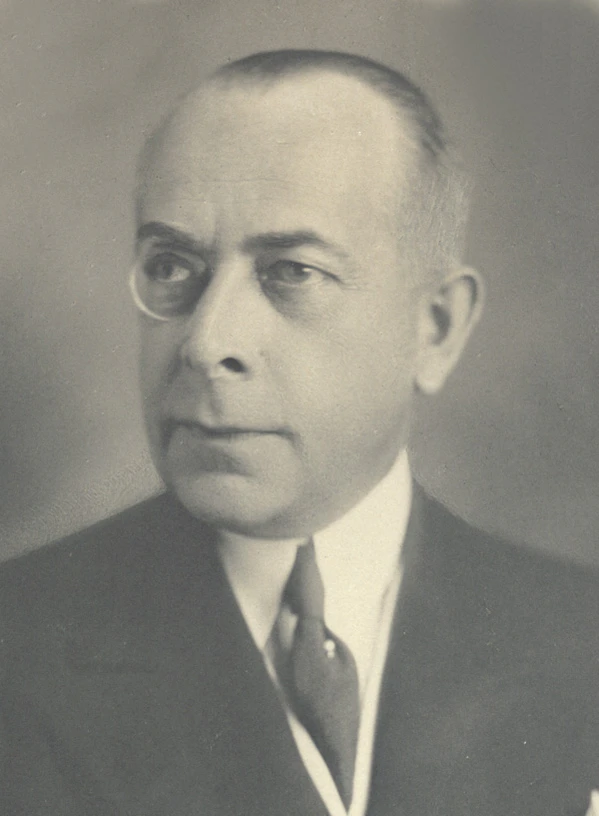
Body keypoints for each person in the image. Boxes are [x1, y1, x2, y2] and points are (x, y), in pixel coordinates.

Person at [0, 49, 597, 816]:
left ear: (435, 327)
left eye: (290, 271)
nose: (206, 341)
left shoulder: (576, 637)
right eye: (171, 266)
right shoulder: (20, 646)